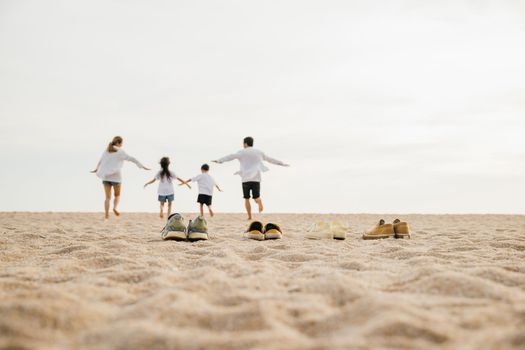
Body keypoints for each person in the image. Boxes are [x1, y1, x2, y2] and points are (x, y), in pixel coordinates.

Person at [213, 137, 289, 220]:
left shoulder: (241, 152)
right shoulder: (259, 152)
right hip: (256, 178)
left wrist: (219, 160)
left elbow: (230, 156)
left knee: (246, 198)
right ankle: (259, 202)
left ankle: (249, 216)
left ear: (245, 143)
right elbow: (270, 159)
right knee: (256, 197)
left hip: (245, 179)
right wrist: (282, 164)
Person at [91, 136, 150, 219]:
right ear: (118, 143)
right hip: (116, 177)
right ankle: (115, 208)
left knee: (107, 197)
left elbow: (101, 160)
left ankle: (106, 215)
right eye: (121, 143)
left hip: (106, 177)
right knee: (117, 195)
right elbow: (131, 158)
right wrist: (141, 165)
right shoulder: (120, 151)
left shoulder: (107, 150)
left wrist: (96, 169)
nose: (122, 145)